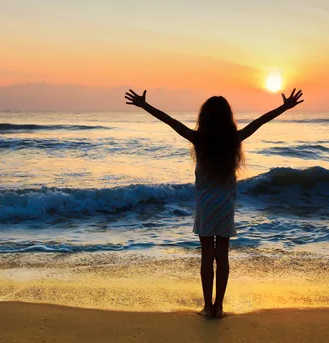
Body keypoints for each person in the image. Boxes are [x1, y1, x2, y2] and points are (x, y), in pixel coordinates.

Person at [124, 88, 304, 318]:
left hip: (206, 204)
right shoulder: (234, 138)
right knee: (223, 256)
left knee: (207, 255)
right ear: (227, 117)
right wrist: (284, 107)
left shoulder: (199, 139)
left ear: (205, 117)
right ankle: (219, 307)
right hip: (225, 204)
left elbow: (171, 121)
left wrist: (145, 105)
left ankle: (207, 307)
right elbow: (261, 121)